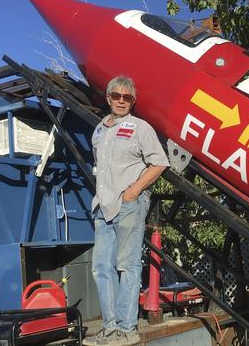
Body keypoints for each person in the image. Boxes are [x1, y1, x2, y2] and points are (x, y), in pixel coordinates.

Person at [84, 76, 170, 346]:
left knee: (127, 266)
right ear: (108, 97)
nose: (121, 101)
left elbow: (159, 163)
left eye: (127, 97)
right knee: (101, 267)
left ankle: (126, 328)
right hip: (103, 205)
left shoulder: (140, 127)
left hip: (129, 204)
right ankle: (109, 327)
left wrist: (133, 191)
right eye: (116, 96)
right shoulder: (98, 130)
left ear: (133, 101)